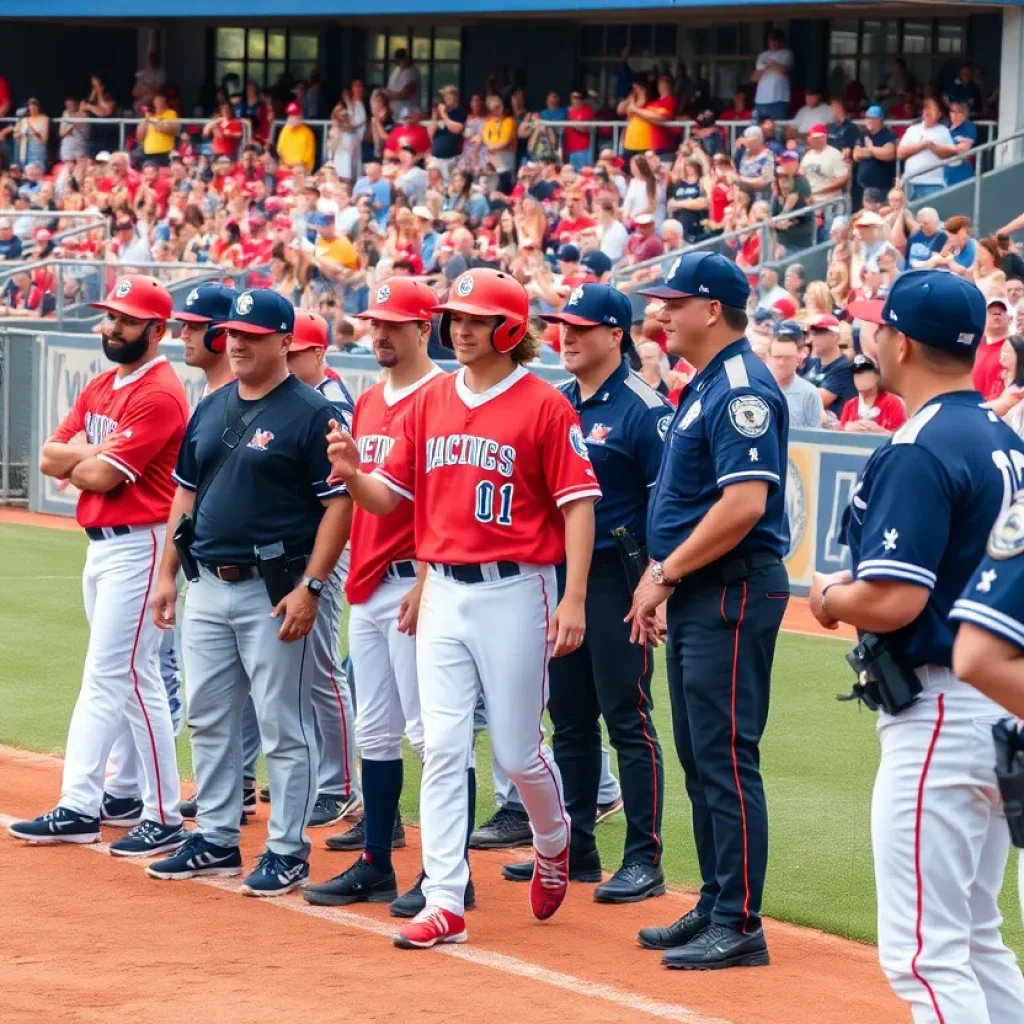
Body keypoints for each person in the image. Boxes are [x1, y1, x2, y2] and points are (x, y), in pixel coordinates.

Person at [324, 267, 601, 949]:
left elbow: (579, 503)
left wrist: (574, 595)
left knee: (515, 750)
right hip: (442, 588)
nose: (460, 327)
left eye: (475, 318)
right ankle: (444, 898)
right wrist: (355, 475)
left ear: (510, 328)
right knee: (443, 746)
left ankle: (553, 835)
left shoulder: (544, 404)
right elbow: (390, 500)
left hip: (518, 588)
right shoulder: (433, 399)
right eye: (455, 316)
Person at [807, 270, 1024, 1022]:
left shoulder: (922, 444)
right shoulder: (1000, 432)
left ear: (898, 341)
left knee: (926, 959)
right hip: (999, 704)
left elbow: (897, 599)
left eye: (877, 325)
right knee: (976, 938)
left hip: (942, 710)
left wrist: (831, 597)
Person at [145, 289, 351, 896]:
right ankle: (214, 836)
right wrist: (167, 573)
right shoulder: (210, 406)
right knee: (207, 717)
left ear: (284, 341)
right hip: (207, 582)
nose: (234, 342)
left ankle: (288, 849)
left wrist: (312, 587)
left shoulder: (312, 413)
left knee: (282, 724)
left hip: (275, 589)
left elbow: (338, 507)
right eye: (231, 332)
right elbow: (185, 494)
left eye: (250, 335)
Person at [628, 252, 789, 970]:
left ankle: (740, 919)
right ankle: (719, 897)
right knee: (700, 756)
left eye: (674, 302)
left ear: (712, 310)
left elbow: (745, 503)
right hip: (703, 588)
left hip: (730, 585)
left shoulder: (741, 386)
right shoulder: (706, 383)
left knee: (724, 756)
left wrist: (664, 572)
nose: (661, 313)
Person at [491, 285, 668, 903]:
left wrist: (657, 582)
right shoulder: (557, 401)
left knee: (626, 715)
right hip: (560, 578)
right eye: (563, 325)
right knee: (567, 720)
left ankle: (644, 857)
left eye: (583, 327)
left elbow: (664, 505)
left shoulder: (645, 408)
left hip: (621, 577)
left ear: (616, 335)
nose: (567, 336)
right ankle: (578, 845)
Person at [10, 277, 188, 855]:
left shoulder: (158, 392)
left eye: (128, 319)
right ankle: (132, 797)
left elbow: (99, 475)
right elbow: (48, 457)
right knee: (130, 679)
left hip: (140, 543)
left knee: (122, 677)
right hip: (103, 544)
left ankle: (111, 807)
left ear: (157, 331)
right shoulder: (104, 383)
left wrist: (84, 457)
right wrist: (89, 455)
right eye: (111, 316)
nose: (113, 327)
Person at [304, 279, 455, 915]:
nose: (381, 333)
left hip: (413, 580)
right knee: (377, 730)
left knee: (432, 734)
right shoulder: (367, 401)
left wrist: (427, 582)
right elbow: (355, 500)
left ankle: (450, 872)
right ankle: (375, 862)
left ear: (426, 329)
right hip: (368, 579)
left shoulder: (444, 395)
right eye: (375, 323)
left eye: (396, 323)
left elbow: (441, 504)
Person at [897, 97, 954, 202]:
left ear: (939, 114)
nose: (928, 112)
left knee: (931, 216)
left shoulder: (944, 131)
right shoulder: (913, 129)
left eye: (932, 109)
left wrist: (932, 146)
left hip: (932, 184)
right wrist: (921, 145)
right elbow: (900, 153)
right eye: (926, 108)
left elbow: (949, 153)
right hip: (910, 182)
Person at [768, 321, 823, 428]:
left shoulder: (809, 393)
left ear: (797, 359)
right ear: (769, 358)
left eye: (787, 358)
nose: (781, 363)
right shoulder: (757, 388)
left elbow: (815, 436)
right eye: (777, 357)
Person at [800, 315, 856, 418]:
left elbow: (812, 402)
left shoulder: (844, 368)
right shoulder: (813, 364)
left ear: (835, 336)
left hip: (831, 431)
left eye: (819, 332)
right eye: (812, 333)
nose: (813, 338)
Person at [838, 353, 907, 433]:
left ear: (877, 377)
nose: (861, 377)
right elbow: (839, 438)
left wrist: (881, 432)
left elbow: (901, 436)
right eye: (857, 374)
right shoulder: (849, 405)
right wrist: (847, 429)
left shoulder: (893, 403)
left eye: (865, 372)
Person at [973, 295, 1014, 400]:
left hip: (1002, 410)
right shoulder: (975, 345)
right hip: (974, 406)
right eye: (992, 313)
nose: (996, 317)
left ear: (1009, 318)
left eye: (1000, 313)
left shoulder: (1015, 347)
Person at [752, 30, 792, 122]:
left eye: (776, 40)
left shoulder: (786, 53)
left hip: (779, 99)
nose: (773, 42)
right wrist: (768, 66)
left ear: (782, 41)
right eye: (771, 40)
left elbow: (784, 70)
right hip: (760, 100)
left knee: (778, 128)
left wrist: (771, 65)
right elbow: (754, 78)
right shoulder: (762, 56)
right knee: (759, 128)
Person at [136, 93, 179, 168]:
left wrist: (152, 121)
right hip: (148, 153)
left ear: (165, 103)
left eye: (158, 102)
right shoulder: (149, 116)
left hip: (164, 153)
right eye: (155, 102)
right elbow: (140, 136)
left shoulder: (171, 113)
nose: (156, 104)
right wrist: (146, 119)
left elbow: (169, 129)